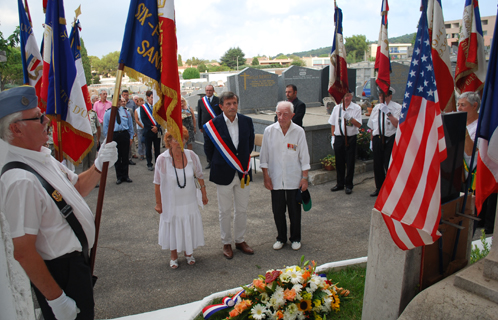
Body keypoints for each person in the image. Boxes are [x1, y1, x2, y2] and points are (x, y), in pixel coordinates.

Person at [0, 86, 118, 320]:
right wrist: (56, 299)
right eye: (38, 117)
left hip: (76, 267)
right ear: (16, 129)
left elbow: (76, 188)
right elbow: (23, 251)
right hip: (60, 274)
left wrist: (98, 164)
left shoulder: (41, 157)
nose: (46, 120)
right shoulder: (20, 180)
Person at [204, 91, 255, 259]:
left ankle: (240, 240)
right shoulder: (213, 125)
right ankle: (226, 242)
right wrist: (221, 164)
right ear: (221, 106)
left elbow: (249, 144)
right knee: (224, 211)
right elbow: (208, 151)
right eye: (228, 104)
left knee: (242, 210)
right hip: (223, 173)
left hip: (243, 173)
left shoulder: (247, 121)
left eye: (234, 103)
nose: (232, 107)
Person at [154, 127, 208, 269]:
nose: (179, 142)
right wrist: (158, 204)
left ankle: (189, 253)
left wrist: (204, 194)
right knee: (173, 226)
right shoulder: (162, 159)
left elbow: (200, 176)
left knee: (187, 226)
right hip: (171, 202)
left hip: (189, 201)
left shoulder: (192, 156)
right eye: (175, 139)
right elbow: (157, 183)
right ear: (169, 140)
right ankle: (173, 256)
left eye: (182, 139)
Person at [260, 101, 310, 251]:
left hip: (294, 179)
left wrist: (305, 178)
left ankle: (295, 238)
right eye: (279, 114)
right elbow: (264, 157)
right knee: (278, 211)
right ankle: (281, 238)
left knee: (295, 211)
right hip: (275, 179)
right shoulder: (269, 131)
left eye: (285, 114)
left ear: (292, 115)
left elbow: (304, 157)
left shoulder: (299, 131)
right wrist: (266, 177)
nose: (281, 117)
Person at [457, 92, 496, 234]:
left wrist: (463, 130)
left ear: (474, 106)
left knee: (473, 215)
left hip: (476, 175)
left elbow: (469, 151)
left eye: (463, 105)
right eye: (458, 105)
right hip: (460, 173)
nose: (459, 108)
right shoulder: (460, 121)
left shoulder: (482, 126)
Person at [367, 87, 401, 197]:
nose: (382, 98)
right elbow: (372, 126)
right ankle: (379, 188)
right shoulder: (376, 108)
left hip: (390, 138)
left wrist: (389, 114)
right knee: (377, 165)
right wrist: (372, 140)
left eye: (384, 96)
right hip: (377, 138)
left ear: (390, 96)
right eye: (380, 95)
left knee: (389, 164)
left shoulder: (397, 107)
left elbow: (398, 125)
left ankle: (392, 188)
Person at [328, 92, 362, 195]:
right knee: (339, 162)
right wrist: (333, 137)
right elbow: (333, 124)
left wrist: (350, 118)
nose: (346, 98)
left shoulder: (356, 108)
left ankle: (349, 185)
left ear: (351, 96)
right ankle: (340, 183)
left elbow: (359, 124)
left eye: (348, 96)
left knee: (350, 162)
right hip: (339, 138)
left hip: (350, 138)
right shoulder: (337, 108)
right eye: (344, 96)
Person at [103, 96, 134, 184]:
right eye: (116, 100)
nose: (118, 102)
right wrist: (107, 139)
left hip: (124, 134)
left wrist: (131, 137)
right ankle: (119, 177)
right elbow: (105, 127)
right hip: (115, 135)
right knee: (117, 157)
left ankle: (126, 176)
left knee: (125, 156)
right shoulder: (108, 112)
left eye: (119, 100)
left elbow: (130, 125)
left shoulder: (126, 112)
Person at [198, 85, 221, 169]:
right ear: (205, 90)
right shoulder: (201, 101)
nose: (208, 92)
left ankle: (217, 161)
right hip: (206, 127)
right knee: (208, 146)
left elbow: (220, 114)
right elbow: (200, 114)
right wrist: (200, 126)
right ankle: (210, 162)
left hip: (216, 127)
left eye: (210, 90)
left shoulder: (218, 100)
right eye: (207, 90)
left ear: (213, 91)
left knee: (216, 145)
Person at [141, 90, 162, 171]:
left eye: (154, 98)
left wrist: (157, 127)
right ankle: (149, 163)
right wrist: (151, 127)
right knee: (148, 148)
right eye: (152, 98)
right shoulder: (143, 108)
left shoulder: (157, 107)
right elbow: (144, 120)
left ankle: (158, 163)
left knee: (157, 148)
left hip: (157, 131)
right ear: (148, 97)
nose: (153, 99)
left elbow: (160, 119)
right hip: (148, 131)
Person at [122, 90, 137, 165]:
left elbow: (133, 121)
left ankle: (129, 158)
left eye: (126, 95)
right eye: (124, 95)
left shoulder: (130, 109)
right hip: (122, 131)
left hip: (129, 130)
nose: (124, 102)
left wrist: (134, 131)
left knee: (130, 145)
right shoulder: (118, 111)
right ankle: (123, 159)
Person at [134, 97, 146, 161]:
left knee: (146, 141)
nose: (141, 102)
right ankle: (141, 154)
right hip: (140, 128)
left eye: (142, 101)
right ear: (137, 103)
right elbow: (136, 120)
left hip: (146, 127)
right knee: (140, 141)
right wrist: (142, 126)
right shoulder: (136, 110)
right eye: (140, 101)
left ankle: (147, 153)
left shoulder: (146, 109)